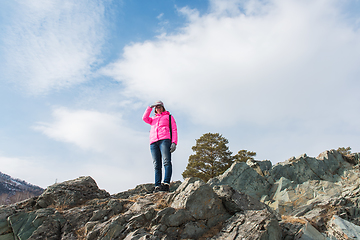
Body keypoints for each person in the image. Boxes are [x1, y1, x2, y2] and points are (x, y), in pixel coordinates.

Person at [142, 100, 178, 192]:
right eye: (156, 107)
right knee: (156, 165)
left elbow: (174, 130)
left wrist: (174, 142)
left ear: (163, 108)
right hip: (153, 142)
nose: (158, 108)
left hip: (165, 140)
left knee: (166, 162)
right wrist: (150, 107)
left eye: (160, 106)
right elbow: (144, 118)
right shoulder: (153, 119)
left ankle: (166, 183)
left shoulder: (169, 117)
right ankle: (157, 186)